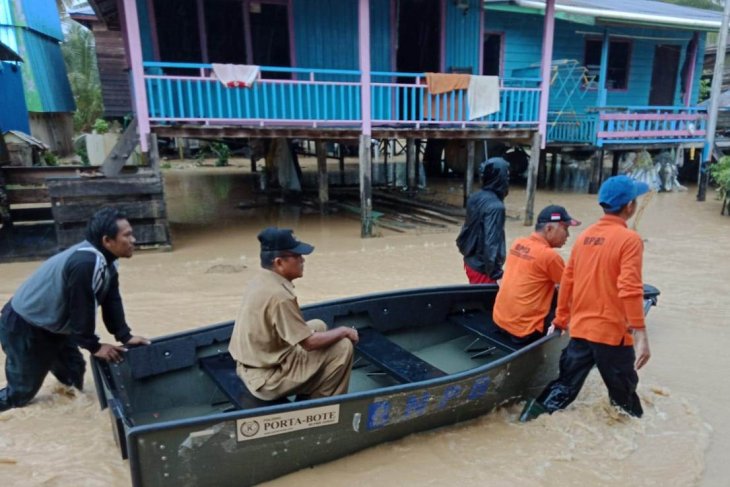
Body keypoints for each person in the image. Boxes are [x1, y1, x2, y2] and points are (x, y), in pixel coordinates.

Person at [520, 176, 652, 421]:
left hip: (580, 331)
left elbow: (568, 283)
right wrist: (641, 332)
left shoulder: (584, 238)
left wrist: (560, 321)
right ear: (630, 206)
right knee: (625, 397)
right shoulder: (630, 240)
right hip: (612, 334)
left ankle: (527, 421)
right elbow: (630, 287)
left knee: (563, 387)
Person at [0, 208, 150, 411]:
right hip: (25, 326)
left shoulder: (108, 262)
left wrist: (125, 336)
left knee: (73, 377)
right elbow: (82, 309)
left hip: (55, 325)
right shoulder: (87, 264)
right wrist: (95, 347)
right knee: (19, 394)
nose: (134, 240)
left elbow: (111, 299)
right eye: (127, 235)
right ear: (107, 240)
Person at [229, 227, 359, 401]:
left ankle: (313, 388)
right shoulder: (279, 296)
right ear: (279, 262)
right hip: (266, 380)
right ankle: (321, 406)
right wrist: (344, 331)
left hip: (252, 365)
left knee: (318, 325)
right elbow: (309, 344)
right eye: (296, 256)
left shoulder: (261, 279)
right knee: (343, 346)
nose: (302, 260)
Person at [492, 205, 581, 344]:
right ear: (549, 229)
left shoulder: (518, 243)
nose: (568, 235)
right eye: (565, 229)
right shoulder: (549, 257)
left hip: (499, 319)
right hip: (524, 331)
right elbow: (572, 290)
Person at [456, 157, 510, 284]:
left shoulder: (475, 198)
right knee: (487, 302)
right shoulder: (496, 207)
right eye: (507, 177)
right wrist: (496, 273)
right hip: (483, 268)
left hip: (470, 260)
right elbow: (491, 242)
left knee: (476, 300)